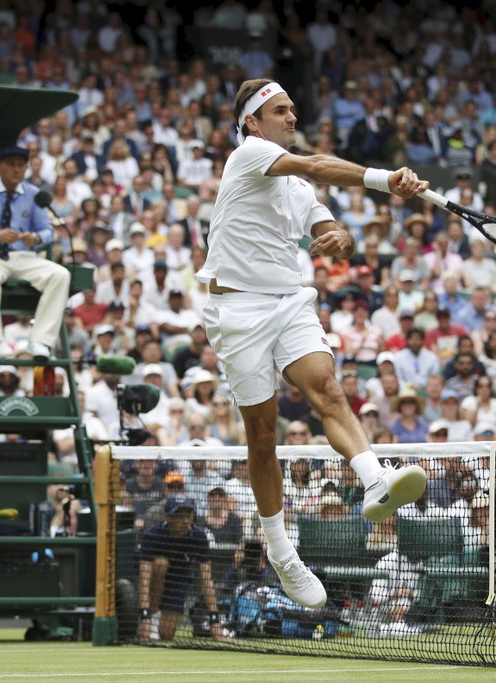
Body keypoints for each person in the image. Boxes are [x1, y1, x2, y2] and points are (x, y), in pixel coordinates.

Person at [193, 79, 428, 608]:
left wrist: (341, 236)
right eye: (281, 111)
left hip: (288, 300)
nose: (291, 118)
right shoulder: (249, 155)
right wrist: (385, 179)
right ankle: (282, 554)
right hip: (236, 310)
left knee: (326, 385)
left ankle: (374, 479)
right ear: (253, 123)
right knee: (262, 432)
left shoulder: (296, 186)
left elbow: (325, 220)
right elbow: (319, 164)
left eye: (293, 110)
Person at [0, 145, 70, 360]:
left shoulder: (33, 194)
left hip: (23, 256)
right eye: (11, 165)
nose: (17, 170)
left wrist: (36, 238)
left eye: (21, 166)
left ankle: (40, 341)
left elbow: (48, 231)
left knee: (60, 275)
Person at [135, 494, 225, 642]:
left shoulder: (199, 537)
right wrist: (145, 615)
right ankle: (153, 616)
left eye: (188, 515)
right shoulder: (152, 535)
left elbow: (207, 579)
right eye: (179, 516)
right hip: (154, 576)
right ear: (167, 517)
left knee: (167, 634)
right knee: (160, 564)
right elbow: (145, 578)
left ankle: (158, 622)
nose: (185, 521)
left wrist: (214, 621)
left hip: (179, 577)